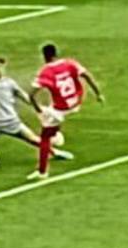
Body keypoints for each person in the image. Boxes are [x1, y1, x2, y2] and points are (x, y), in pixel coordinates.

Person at [27, 43, 103, 179]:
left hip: (60, 109)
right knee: (51, 115)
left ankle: (42, 171)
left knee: (45, 137)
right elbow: (87, 75)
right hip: (75, 102)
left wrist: (38, 110)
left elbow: (31, 94)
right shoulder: (70, 63)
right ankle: (56, 133)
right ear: (56, 53)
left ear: (44, 56)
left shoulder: (46, 71)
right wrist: (98, 93)